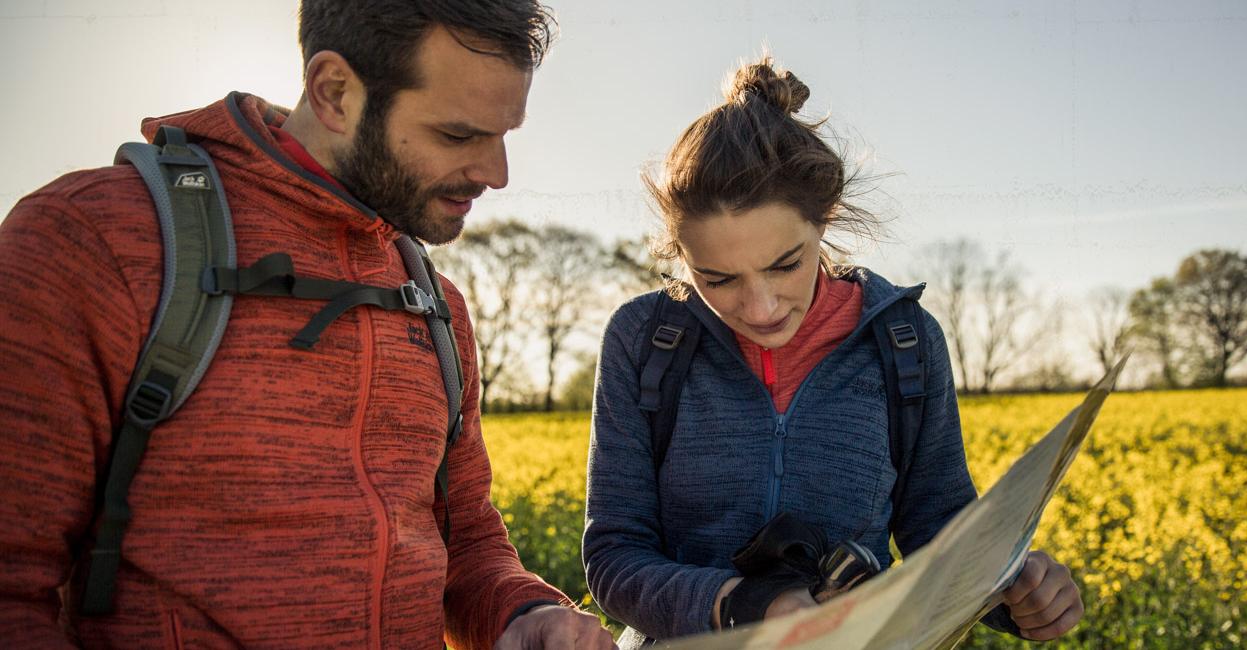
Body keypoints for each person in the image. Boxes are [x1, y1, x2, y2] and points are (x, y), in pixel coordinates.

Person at [0, 2, 613, 649]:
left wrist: (524, 614)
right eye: (458, 136)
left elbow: (467, 539)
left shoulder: (435, 303)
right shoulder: (93, 239)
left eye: (504, 133)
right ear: (335, 93)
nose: (497, 174)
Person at [582, 57, 1084, 647]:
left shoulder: (907, 343)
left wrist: (1015, 590)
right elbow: (614, 557)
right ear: (678, 254)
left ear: (826, 216)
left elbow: (940, 535)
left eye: (785, 265)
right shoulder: (644, 340)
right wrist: (746, 606)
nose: (760, 307)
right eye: (716, 279)